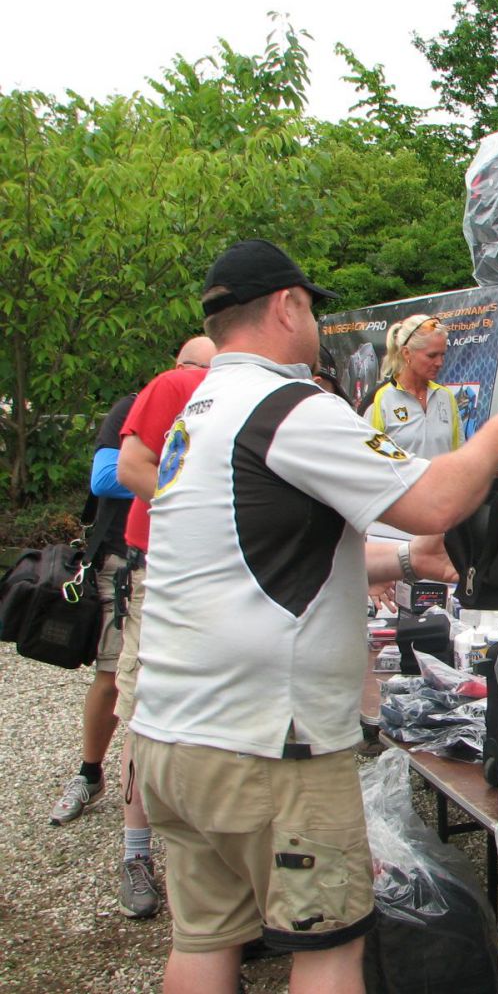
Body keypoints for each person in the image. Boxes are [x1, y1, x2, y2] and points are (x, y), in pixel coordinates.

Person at [128, 238, 498, 994]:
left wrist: (410, 560)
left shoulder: (201, 413)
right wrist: (495, 438)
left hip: (174, 732)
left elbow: (274, 552)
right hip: (269, 743)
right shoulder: (289, 408)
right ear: (287, 305)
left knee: (206, 940)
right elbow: (433, 500)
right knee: (330, 948)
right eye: (312, 308)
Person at [112, 334, 217, 918]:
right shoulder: (179, 383)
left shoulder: (254, 393)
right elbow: (129, 468)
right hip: (161, 566)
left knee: (201, 709)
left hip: (210, 571)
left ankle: (204, 854)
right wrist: (209, 514)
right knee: (144, 709)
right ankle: (136, 853)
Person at [47, 393, 136, 826]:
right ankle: (89, 772)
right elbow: (104, 478)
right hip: (123, 561)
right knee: (112, 673)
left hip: (189, 562)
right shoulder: (132, 407)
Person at [360, 314, 462, 457]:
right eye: (432, 355)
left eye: (442, 355)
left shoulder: (446, 397)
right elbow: (368, 459)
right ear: (407, 353)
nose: (439, 363)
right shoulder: (380, 400)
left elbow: (458, 454)